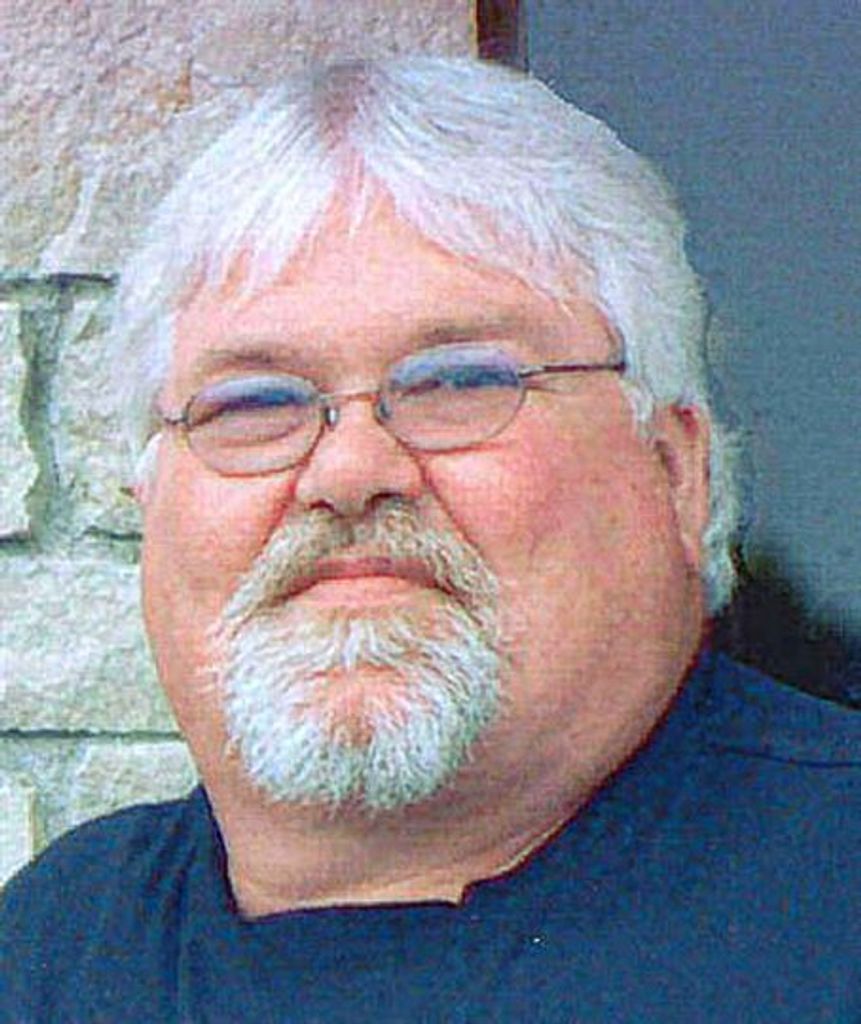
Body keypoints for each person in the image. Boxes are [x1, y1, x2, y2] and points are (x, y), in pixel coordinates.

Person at [2, 56, 859, 1023]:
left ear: (671, 469)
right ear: (149, 502)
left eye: (457, 382)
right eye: (253, 403)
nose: (347, 471)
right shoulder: (55, 952)